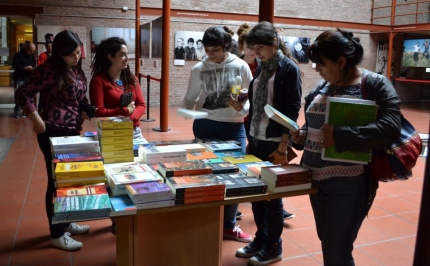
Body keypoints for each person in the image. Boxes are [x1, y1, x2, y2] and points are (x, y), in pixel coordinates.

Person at [290, 29, 401, 266]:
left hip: (349, 184)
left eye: (321, 64)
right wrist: (300, 136)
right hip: (315, 179)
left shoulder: (375, 84)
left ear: (341, 61)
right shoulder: (322, 86)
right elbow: (312, 125)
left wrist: (341, 136)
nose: (317, 69)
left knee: (337, 251)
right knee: (329, 243)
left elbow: (391, 127)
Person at [15, 30, 92, 251]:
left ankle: (65, 222)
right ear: (60, 53)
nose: (76, 58)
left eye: (78, 53)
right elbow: (24, 93)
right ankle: (56, 234)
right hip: (52, 132)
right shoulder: (47, 70)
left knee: (67, 181)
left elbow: (80, 97)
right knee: (56, 182)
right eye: (71, 54)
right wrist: (34, 117)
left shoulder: (75, 70)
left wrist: (85, 107)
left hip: (71, 131)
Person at [235, 21, 302, 266]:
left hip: (275, 141)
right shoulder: (262, 68)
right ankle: (261, 240)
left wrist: (283, 145)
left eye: (259, 48)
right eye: (253, 48)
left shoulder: (287, 69)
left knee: (273, 198)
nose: (256, 53)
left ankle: (274, 246)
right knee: (256, 195)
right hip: (257, 137)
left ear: (273, 44)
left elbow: (292, 109)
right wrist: (251, 137)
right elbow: (257, 107)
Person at [182, 26, 253, 243]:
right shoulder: (198, 69)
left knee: (236, 176)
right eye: (207, 50)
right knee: (205, 174)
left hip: (234, 126)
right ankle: (205, 221)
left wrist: (242, 109)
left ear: (226, 47)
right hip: (206, 125)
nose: (210, 54)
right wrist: (186, 112)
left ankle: (228, 226)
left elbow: (249, 97)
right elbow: (191, 97)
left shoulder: (241, 66)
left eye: (215, 50)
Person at [89, 36, 146, 140]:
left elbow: (141, 105)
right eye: (123, 55)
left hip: (134, 131)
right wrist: (123, 111)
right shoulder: (99, 80)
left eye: (127, 54)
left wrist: (130, 118)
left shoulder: (131, 78)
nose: (127, 58)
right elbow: (99, 112)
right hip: (111, 132)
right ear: (111, 57)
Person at [12, 41, 36, 118]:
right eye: (30, 51)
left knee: (28, 96)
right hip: (20, 78)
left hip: (29, 78)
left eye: (33, 51)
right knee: (19, 95)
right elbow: (15, 65)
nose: (31, 52)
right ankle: (17, 111)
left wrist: (33, 68)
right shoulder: (18, 55)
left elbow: (34, 64)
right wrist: (25, 68)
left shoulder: (31, 56)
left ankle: (26, 111)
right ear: (26, 48)